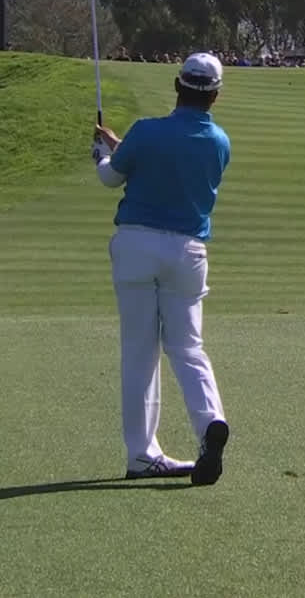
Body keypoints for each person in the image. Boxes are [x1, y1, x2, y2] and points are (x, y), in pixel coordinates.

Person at [91, 52, 232, 486]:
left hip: (136, 246)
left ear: (177, 84)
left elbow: (113, 178)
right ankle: (210, 421)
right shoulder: (219, 142)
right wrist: (122, 149)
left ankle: (142, 454)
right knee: (188, 346)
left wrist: (103, 153)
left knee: (139, 352)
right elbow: (169, 165)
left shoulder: (146, 132)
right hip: (188, 252)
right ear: (216, 95)